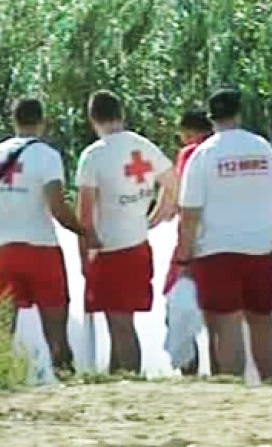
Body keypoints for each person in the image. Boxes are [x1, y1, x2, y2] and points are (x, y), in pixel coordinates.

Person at [0, 98, 99, 374]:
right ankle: (65, 380)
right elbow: (58, 207)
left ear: (13, 120)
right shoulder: (47, 156)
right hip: (42, 251)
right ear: (42, 121)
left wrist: (5, 217)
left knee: (3, 329)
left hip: (4, 250)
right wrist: (85, 232)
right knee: (55, 331)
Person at [175, 89, 272, 381]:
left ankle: (234, 387)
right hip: (261, 246)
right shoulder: (262, 147)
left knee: (227, 322)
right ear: (239, 113)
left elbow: (190, 213)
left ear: (211, 119)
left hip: (217, 249)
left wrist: (184, 257)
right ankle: (271, 383)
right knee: (262, 320)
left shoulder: (203, 154)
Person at [76, 90, 176, 374]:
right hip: (139, 244)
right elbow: (172, 184)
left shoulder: (94, 155)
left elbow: (85, 215)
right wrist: (154, 217)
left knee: (119, 324)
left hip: (109, 249)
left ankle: (130, 380)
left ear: (92, 118)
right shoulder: (143, 146)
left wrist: (84, 254)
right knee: (122, 321)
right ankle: (118, 377)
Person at [162, 108, 216, 376]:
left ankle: (190, 372)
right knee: (220, 314)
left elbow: (183, 200)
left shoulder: (191, 154)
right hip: (226, 240)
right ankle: (223, 373)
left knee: (178, 309)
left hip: (193, 241)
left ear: (190, 132)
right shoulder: (220, 152)